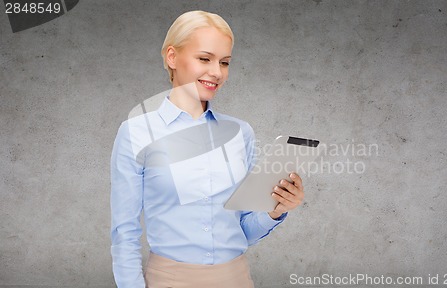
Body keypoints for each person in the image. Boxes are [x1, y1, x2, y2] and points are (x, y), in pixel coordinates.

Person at [110, 10, 305, 288]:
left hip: (236, 279)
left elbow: (243, 231)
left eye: (224, 62)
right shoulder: (136, 132)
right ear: (172, 57)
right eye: (205, 58)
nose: (217, 72)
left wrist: (276, 209)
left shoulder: (241, 133)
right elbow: (124, 232)